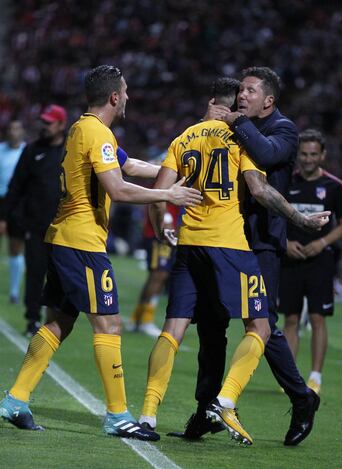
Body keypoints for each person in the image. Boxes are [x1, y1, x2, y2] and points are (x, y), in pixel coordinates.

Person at [0, 65, 202, 441]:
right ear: (113, 97)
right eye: (125, 92)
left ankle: (15, 400)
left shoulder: (84, 129)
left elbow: (130, 165)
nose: (127, 97)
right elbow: (119, 188)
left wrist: (170, 168)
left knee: (60, 321)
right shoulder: (98, 133)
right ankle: (117, 416)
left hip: (65, 238)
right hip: (82, 244)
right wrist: (167, 194)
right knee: (108, 323)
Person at [138, 76, 329, 445]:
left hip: (258, 243)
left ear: (268, 101)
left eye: (250, 91)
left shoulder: (281, 130)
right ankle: (209, 407)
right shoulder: (232, 132)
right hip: (229, 241)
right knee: (212, 330)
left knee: (263, 325)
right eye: (239, 92)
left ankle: (300, 397)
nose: (243, 96)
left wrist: (221, 123)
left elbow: (266, 165)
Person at [279, 129, 342, 395]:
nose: (307, 159)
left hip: (320, 261)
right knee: (291, 318)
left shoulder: (334, 186)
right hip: (291, 259)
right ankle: (290, 377)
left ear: (322, 155)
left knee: (318, 317)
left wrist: (322, 242)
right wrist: (285, 243)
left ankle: (315, 377)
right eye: (303, 154)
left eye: (313, 154)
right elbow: (276, 218)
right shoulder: (287, 182)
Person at [5, 105, 67, 336]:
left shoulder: (70, 150)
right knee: (35, 273)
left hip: (63, 227)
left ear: (61, 124)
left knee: (60, 276)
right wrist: (5, 217)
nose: (45, 125)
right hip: (35, 225)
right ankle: (32, 319)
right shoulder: (32, 150)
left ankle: (55, 320)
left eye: (50, 122)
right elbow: (16, 186)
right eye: (43, 121)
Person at [127, 203, 179, 337]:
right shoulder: (170, 181)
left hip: (161, 233)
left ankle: (136, 318)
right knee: (159, 275)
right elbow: (159, 199)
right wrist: (167, 222)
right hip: (161, 234)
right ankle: (146, 320)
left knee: (156, 277)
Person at [0, 119, 26, 304]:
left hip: (17, 205)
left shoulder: (27, 152)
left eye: (16, 128)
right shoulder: (0, 150)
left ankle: (14, 292)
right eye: (10, 128)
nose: (12, 131)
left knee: (15, 247)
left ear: (22, 131)